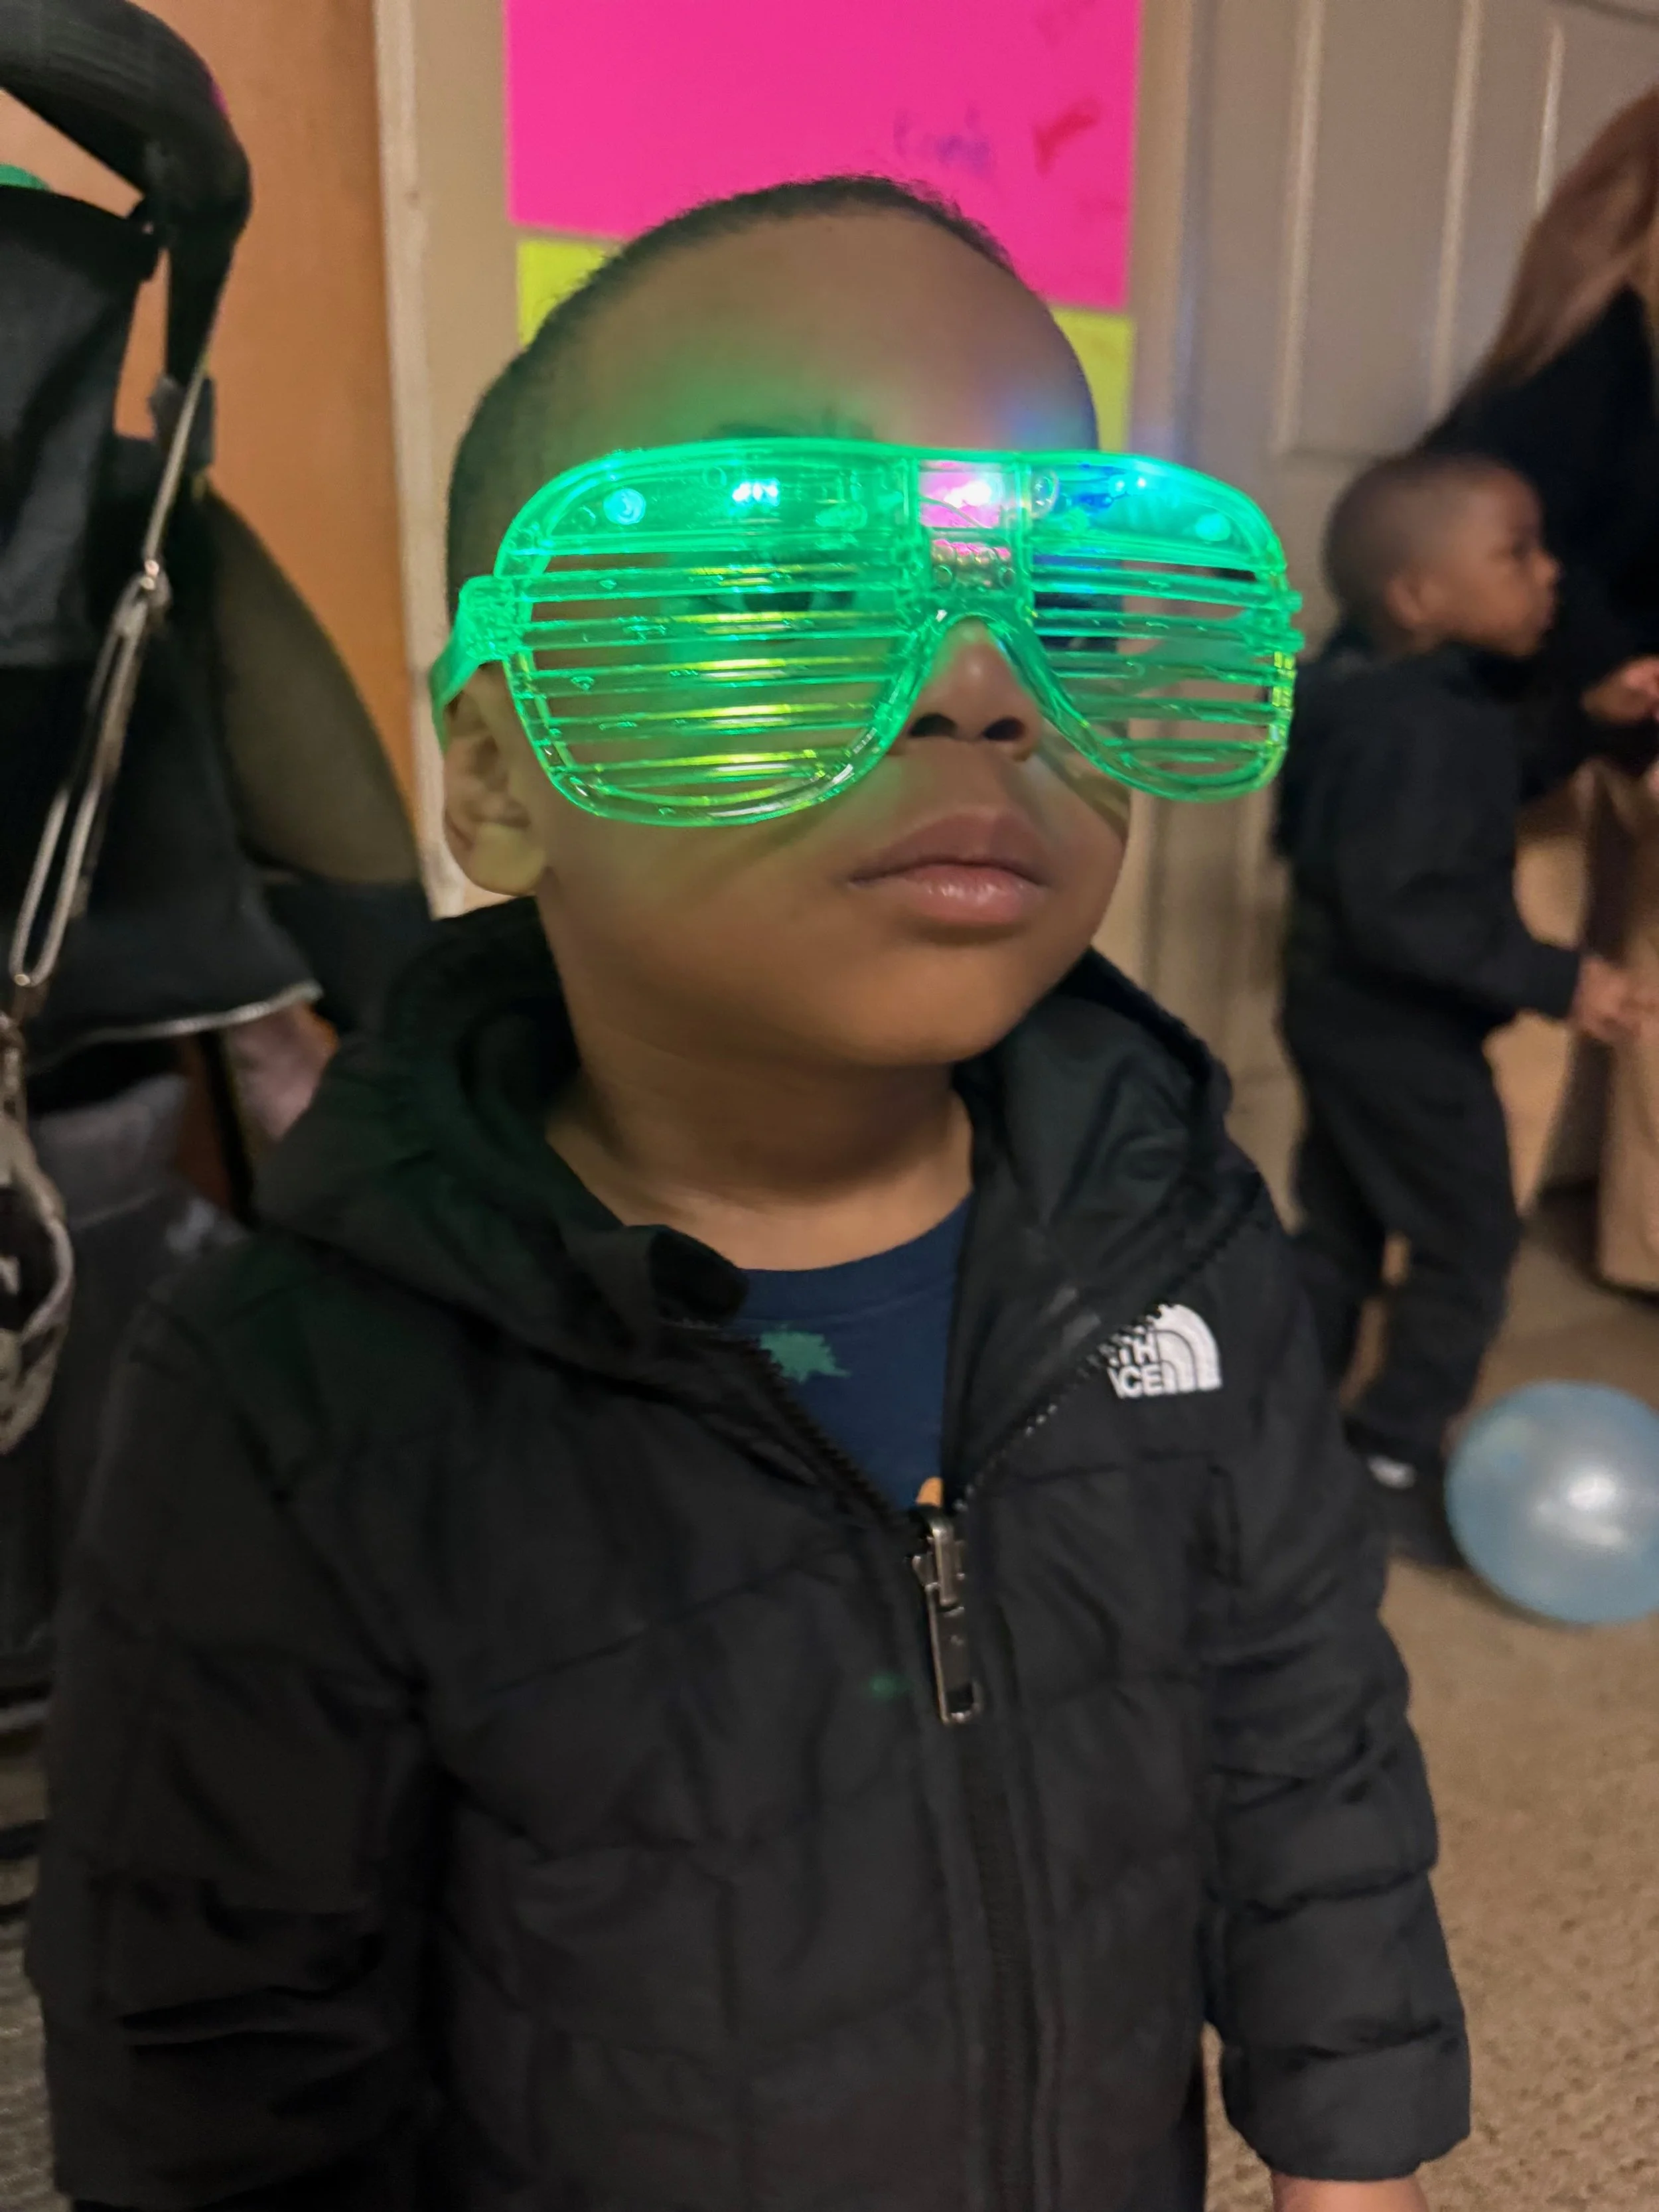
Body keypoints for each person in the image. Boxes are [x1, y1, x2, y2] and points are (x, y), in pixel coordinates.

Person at [30, 177, 1467, 2212]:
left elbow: (1301, 1731)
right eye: (775, 596)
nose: (981, 687)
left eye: (1064, 600)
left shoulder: (1186, 1239)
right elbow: (212, 2040)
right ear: (497, 775)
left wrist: (1353, 2160)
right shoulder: (290, 1390)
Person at [1275, 449, 1659, 1565]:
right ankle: (1390, 1452)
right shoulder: (1422, 726)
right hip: (1404, 1040)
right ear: (1419, 596)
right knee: (1469, 1241)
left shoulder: (1367, 691)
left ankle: (1279, 1420)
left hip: (1337, 1016)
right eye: (1519, 553)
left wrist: (1584, 718)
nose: (1551, 573)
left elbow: (1476, 789)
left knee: (1341, 1225)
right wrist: (1560, 978)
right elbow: (1406, 909)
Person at [1427, 84, 1659, 1286]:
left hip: (1618, 702)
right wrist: (1621, 683)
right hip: (1517, 704)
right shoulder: (1586, 347)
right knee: (1512, 995)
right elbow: (1517, 559)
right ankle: (1440, 1269)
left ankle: (1645, 1249)